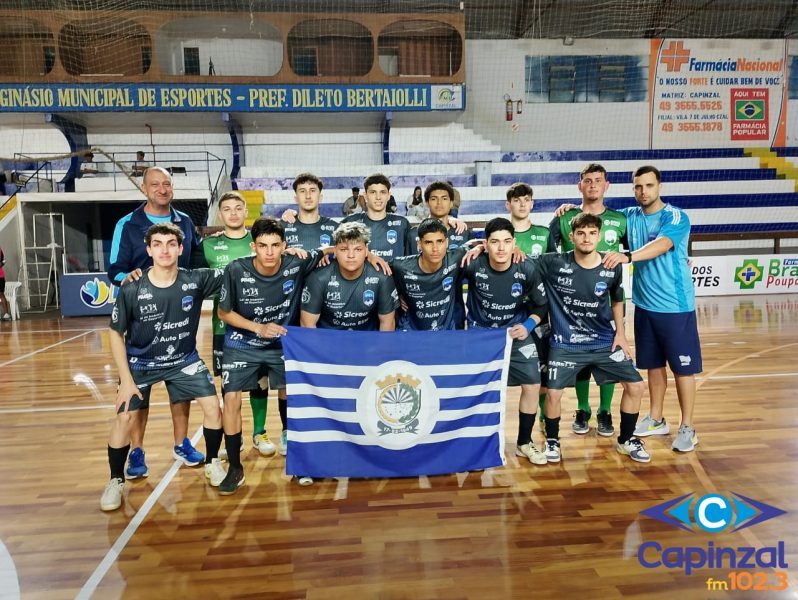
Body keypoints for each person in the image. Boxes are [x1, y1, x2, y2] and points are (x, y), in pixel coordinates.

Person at [100, 223, 225, 511]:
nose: (165, 249)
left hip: (184, 360)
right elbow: (115, 333)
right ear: (149, 250)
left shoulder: (195, 280)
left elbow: (241, 269)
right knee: (123, 418)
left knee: (213, 407)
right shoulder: (132, 286)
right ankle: (115, 480)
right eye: (158, 244)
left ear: (181, 249)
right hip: (140, 363)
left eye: (171, 244)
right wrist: (126, 379)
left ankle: (213, 461)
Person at [217, 217, 327, 493]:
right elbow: (223, 312)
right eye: (263, 246)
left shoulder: (296, 263)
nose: (269, 252)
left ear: (284, 245)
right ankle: (235, 466)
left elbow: (332, 250)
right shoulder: (235, 269)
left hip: (282, 345)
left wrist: (372, 255)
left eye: (275, 245)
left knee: (292, 392)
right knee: (230, 399)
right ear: (253, 246)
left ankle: (297, 456)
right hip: (242, 344)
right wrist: (258, 327)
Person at [107, 166, 202, 480]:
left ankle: (181, 443)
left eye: (167, 184)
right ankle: (136, 450)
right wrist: (130, 276)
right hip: (140, 325)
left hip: (181, 321)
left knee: (181, 388)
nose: (162, 189)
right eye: (155, 185)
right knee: (138, 394)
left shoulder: (185, 223)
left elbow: (198, 263)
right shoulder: (128, 224)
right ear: (145, 188)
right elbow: (115, 270)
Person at [602, 165, 702, 452]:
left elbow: (663, 244)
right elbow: (603, 220)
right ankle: (657, 418)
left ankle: (687, 427)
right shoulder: (629, 216)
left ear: (660, 186)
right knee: (654, 366)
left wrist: (628, 256)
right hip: (644, 306)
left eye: (648, 186)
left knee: (683, 369)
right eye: (637, 187)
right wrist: (571, 208)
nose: (643, 192)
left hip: (675, 306)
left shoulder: (676, 216)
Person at [537, 212, 648, 464]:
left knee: (637, 386)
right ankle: (553, 441)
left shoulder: (611, 266)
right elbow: (519, 258)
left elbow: (618, 300)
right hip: (566, 344)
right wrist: (482, 246)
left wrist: (621, 334)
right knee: (553, 394)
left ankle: (626, 440)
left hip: (604, 341)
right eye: (581, 233)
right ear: (572, 236)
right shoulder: (553, 262)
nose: (586, 238)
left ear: (599, 236)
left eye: (592, 233)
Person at [192, 191, 274, 459]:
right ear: (220, 214)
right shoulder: (207, 246)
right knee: (231, 387)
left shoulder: (260, 241)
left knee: (260, 383)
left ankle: (259, 433)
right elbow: (194, 283)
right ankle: (233, 437)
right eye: (227, 209)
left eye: (238, 208)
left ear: (245, 211)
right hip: (223, 328)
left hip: (259, 326)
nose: (234, 213)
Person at [548, 164, 628, 438]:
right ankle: (583, 408)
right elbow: (548, 256)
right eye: (587, 181)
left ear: (607, 185)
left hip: (607, 299)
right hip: (571, 306)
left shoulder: (621, 219)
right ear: (579, 186)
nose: (592, 185)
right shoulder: (563, 218)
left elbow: (632, 253)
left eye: (598, 181)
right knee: (578, 353)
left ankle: (605, 410)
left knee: (608, 354)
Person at [461, 217, 548, 466]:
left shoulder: (527, 267)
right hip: (480, 335)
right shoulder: (472, 263)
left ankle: (523, 442)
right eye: (494, 242)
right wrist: (475, 246)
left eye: (507, 242)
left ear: (514, 244)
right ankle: (474, 441)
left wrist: (528, 326)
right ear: (486, 244)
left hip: (514, 334)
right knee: (475, 389)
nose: (501, 248)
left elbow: (541, 305)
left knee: (532, 385)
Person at [505, 182, 551, 431]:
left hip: (538, 311)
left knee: (542, 368)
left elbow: (554, 268)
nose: (522, 204)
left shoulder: (544, 234)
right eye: (517, 200)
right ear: (508, 204)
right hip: (509, 313)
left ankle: (544, 417)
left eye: (526, 200)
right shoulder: (501, 235)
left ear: (532, 203)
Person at [301, 222, 398, 332]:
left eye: (358, 249)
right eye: (344, 249)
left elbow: (387, 324)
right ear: (335, 251)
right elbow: (307, 326)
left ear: (366, 251)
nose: (351, 256)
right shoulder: (318, 278)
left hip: (368, 342)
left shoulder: (382, 277)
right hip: (328, 342)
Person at [391, 218, 478, 331]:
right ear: (419, 244)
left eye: (440, 241)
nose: (435, 249)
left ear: (446, 242)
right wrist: (397, 295)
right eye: (428, 242)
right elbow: (378, 271)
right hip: (411, 332)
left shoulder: (455, 258)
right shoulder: (401, 266)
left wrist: (480, 247)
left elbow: (483, 242)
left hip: (445, 334)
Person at [342, 174, 415, 260]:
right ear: (365, 195)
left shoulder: (402, 224)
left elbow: (411, 260)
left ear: (389, 196)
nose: (378, 197)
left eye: (382, 192)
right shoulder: (350, 222)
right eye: (373, 192)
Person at [283, 173, 337, 251]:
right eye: (302, 191)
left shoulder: (336, 228)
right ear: (296, 199)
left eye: (312, 190)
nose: (308, 196)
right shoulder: (282, 228)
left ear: (320, 198)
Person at [0, 245, 11, 320]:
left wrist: (1, 263)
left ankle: (6, 314)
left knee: (1, 294)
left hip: (0, 276)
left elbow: (2, 261)